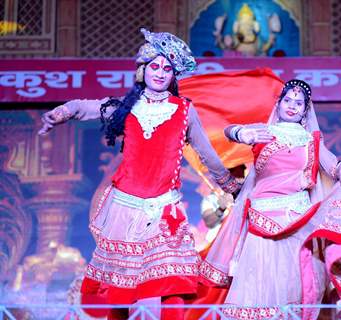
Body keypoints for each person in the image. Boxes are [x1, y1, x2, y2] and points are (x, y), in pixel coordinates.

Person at [38, 28, 241, 320]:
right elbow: (86, 107)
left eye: (167, 68)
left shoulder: (184, 110)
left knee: (173, 283)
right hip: (125, 210)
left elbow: (207, 154)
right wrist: (61, 113)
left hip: (164, 211)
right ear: (143, 70)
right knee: (120, 291)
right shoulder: (126, 107)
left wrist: (230, 185)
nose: (160, 73)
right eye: (154, 66)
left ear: (174, 76)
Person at [199, 79, 341, 319]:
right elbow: (228, 131)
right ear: (278, 105)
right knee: (261, 284)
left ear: (305, 111)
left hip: (298, 221)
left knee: (297, 284)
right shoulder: (263, 132)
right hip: (262, 220)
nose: (292, 106)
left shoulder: (311, 140)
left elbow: (329, 161)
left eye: (298, 103)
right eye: (287, 101)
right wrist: (241, 132)